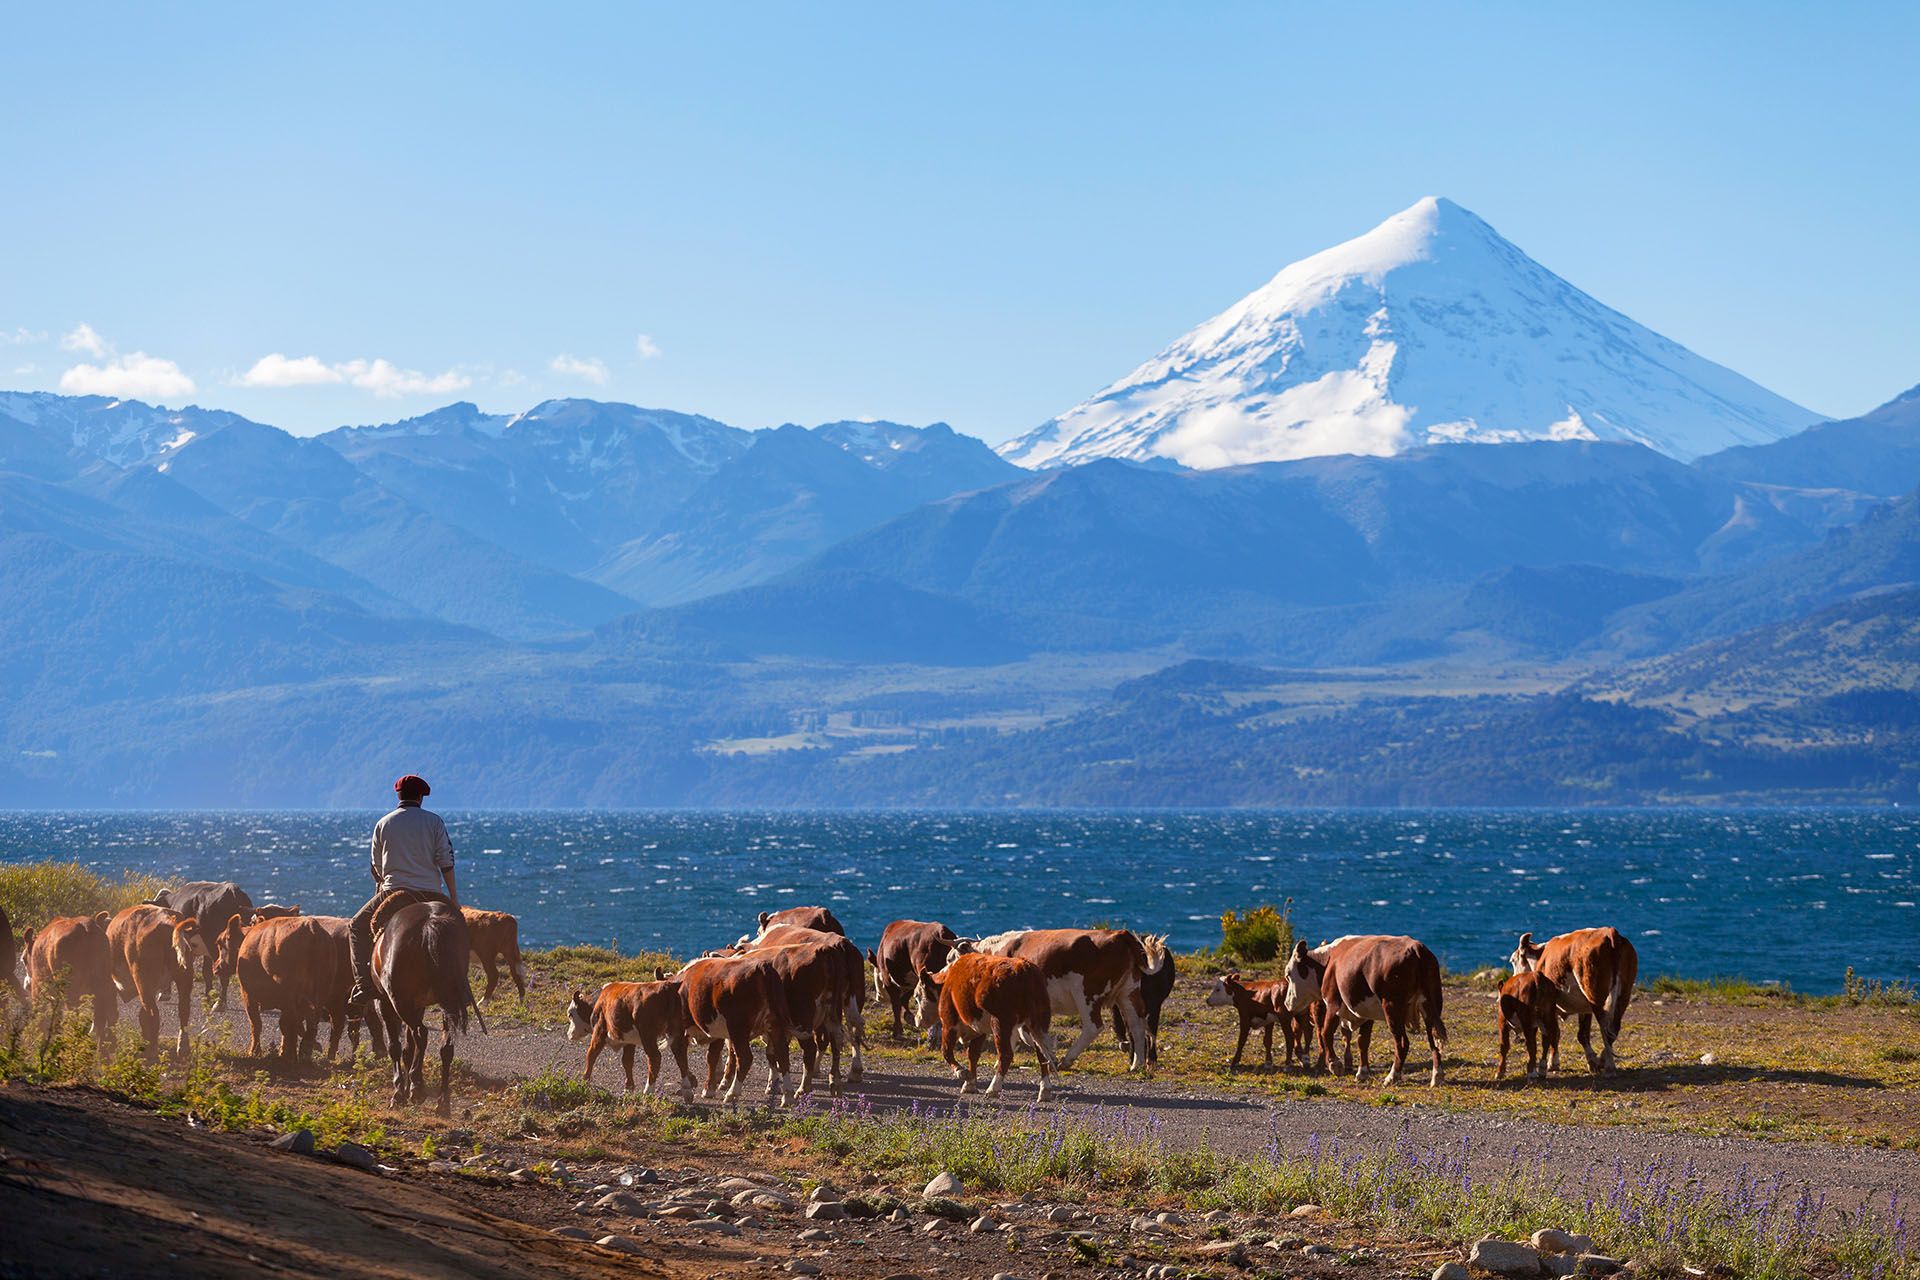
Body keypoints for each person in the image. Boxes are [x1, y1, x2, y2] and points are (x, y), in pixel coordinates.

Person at [347, 774, 459, 1011]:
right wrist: (453, 897)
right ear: (421, 797)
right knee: (458, 929)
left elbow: (376, 867)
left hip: (393, 892)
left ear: (398, 795)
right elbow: (446, 861)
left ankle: (364, 986)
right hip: (431, 893)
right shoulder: (434, 822)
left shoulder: (383, 823)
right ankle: (461, 985)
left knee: (356, 926)